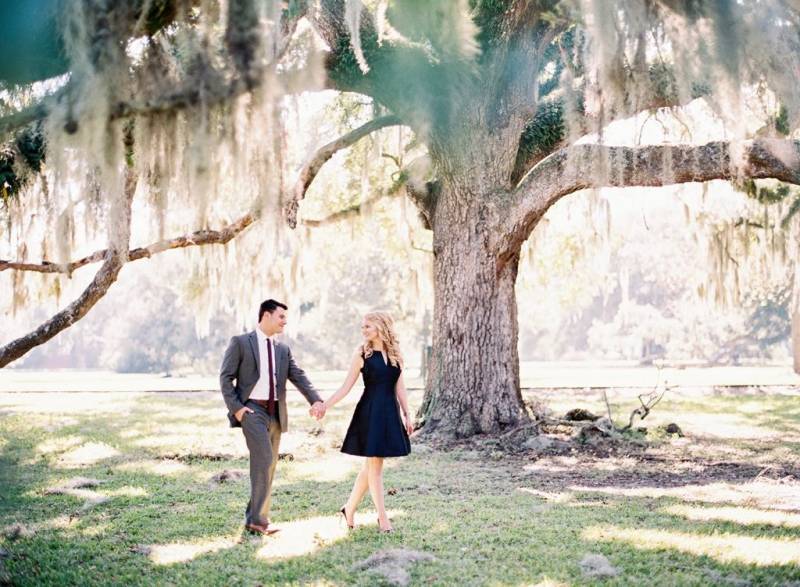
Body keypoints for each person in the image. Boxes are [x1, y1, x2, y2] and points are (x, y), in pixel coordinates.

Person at [220, 299, 325, 535]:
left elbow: (298, 376)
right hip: (252, 412)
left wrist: (316, 400)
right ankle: (258, 519)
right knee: (264, 461)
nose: (284, 322)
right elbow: (225, 378)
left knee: (270, 465)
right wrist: (237, 409)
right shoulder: (241, 343)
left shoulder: (282, 350)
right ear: (266, 315)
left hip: (276, 414)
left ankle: (255, 518)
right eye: (281, 317)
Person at [318, 311, 413, 533]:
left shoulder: (395, 353)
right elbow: (345, 387)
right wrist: (324, 405)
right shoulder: (362, 354)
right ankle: (383, 519)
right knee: (376, 467)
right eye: (363, 327)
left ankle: (348, 508)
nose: (364, 330)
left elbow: (399, 385)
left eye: (367, 326)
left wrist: (408, 413)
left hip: (390, 412)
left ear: (381, 327)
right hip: (370, 413)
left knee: (371, 466)